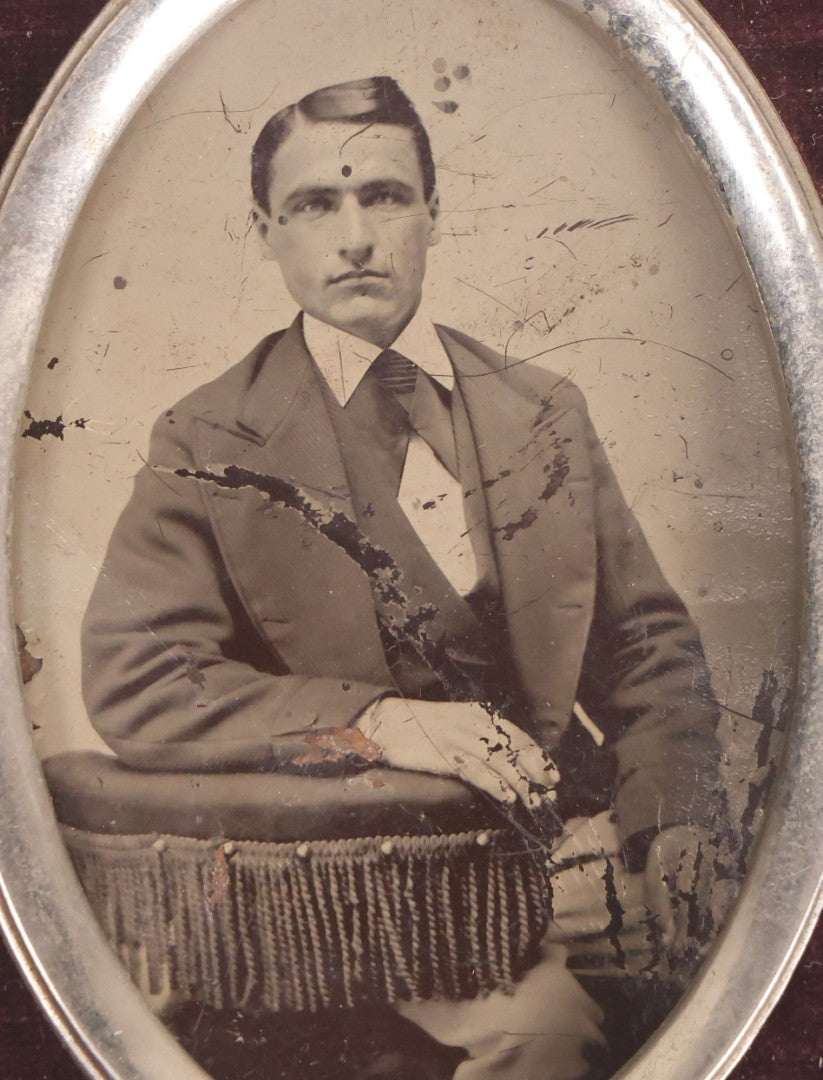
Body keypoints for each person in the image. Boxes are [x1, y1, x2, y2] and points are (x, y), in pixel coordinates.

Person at [81, 76, 734, 1078]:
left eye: (383, 196)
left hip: (590, 856)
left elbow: (646, 649)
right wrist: (379, 719)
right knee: (543, 1037)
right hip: (395, 888)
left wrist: (668, 835)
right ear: (265, 230)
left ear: (433, 212)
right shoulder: (206, 439)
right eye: (314, 205)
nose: (353, 238)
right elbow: (136, 677)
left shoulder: (541, 407)